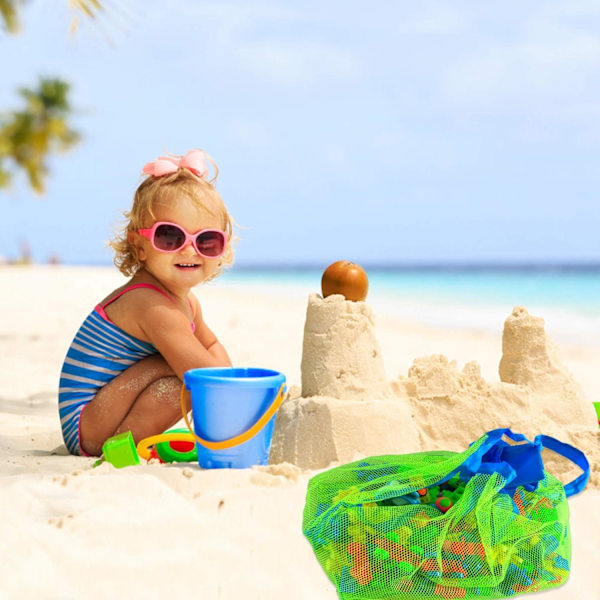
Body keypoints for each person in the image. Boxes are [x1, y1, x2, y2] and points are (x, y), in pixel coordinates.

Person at [58, 149, 235, 457]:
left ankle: (132, 440)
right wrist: (236, 399)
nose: (190, 251)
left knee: (188, 373)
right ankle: (123, 445)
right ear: (139, 246)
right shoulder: (150, 304)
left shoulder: (187, 303)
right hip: (86, 422)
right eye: (170, 238)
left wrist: (226, 382)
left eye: (206, 241)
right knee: (187, 377)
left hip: (106, 406)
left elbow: (212, 346)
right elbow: (203, 376)